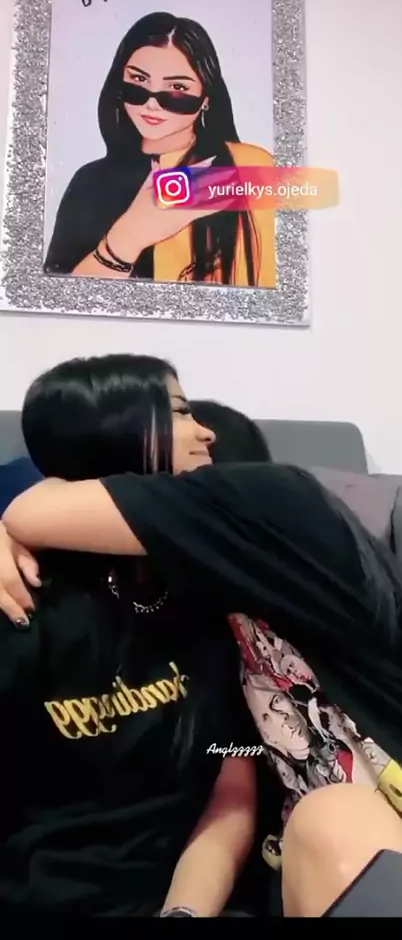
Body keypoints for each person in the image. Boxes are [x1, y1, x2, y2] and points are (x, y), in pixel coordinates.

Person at [4, 405, 402, 914]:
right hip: (309, 859)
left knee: (335, 815)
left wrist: (7, 527)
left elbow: (34, 507)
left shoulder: (287, 511)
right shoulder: (207, 619)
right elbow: (234, 773)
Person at [0, 357, 258, 917]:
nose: (206, 432)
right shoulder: (23, 601)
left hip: (203, 890)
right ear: (116, 433)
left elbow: (233, 777)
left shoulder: (214, 593)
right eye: (181, 412)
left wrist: (185, 912)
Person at [44, 12, 276, 288]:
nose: (151, 104)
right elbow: (56, 294)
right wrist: (126, 240)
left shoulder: (248, 166)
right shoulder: (91, 182)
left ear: (206, 97)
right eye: (139, 80)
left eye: (177, 87)